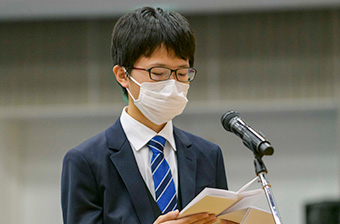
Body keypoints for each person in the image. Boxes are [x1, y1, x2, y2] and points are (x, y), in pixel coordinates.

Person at [61, 6, 236, 224]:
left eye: (182, 73)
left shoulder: (208, 156)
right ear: (122, 75)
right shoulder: (86, 161)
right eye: (158, 73)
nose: (172, 85)